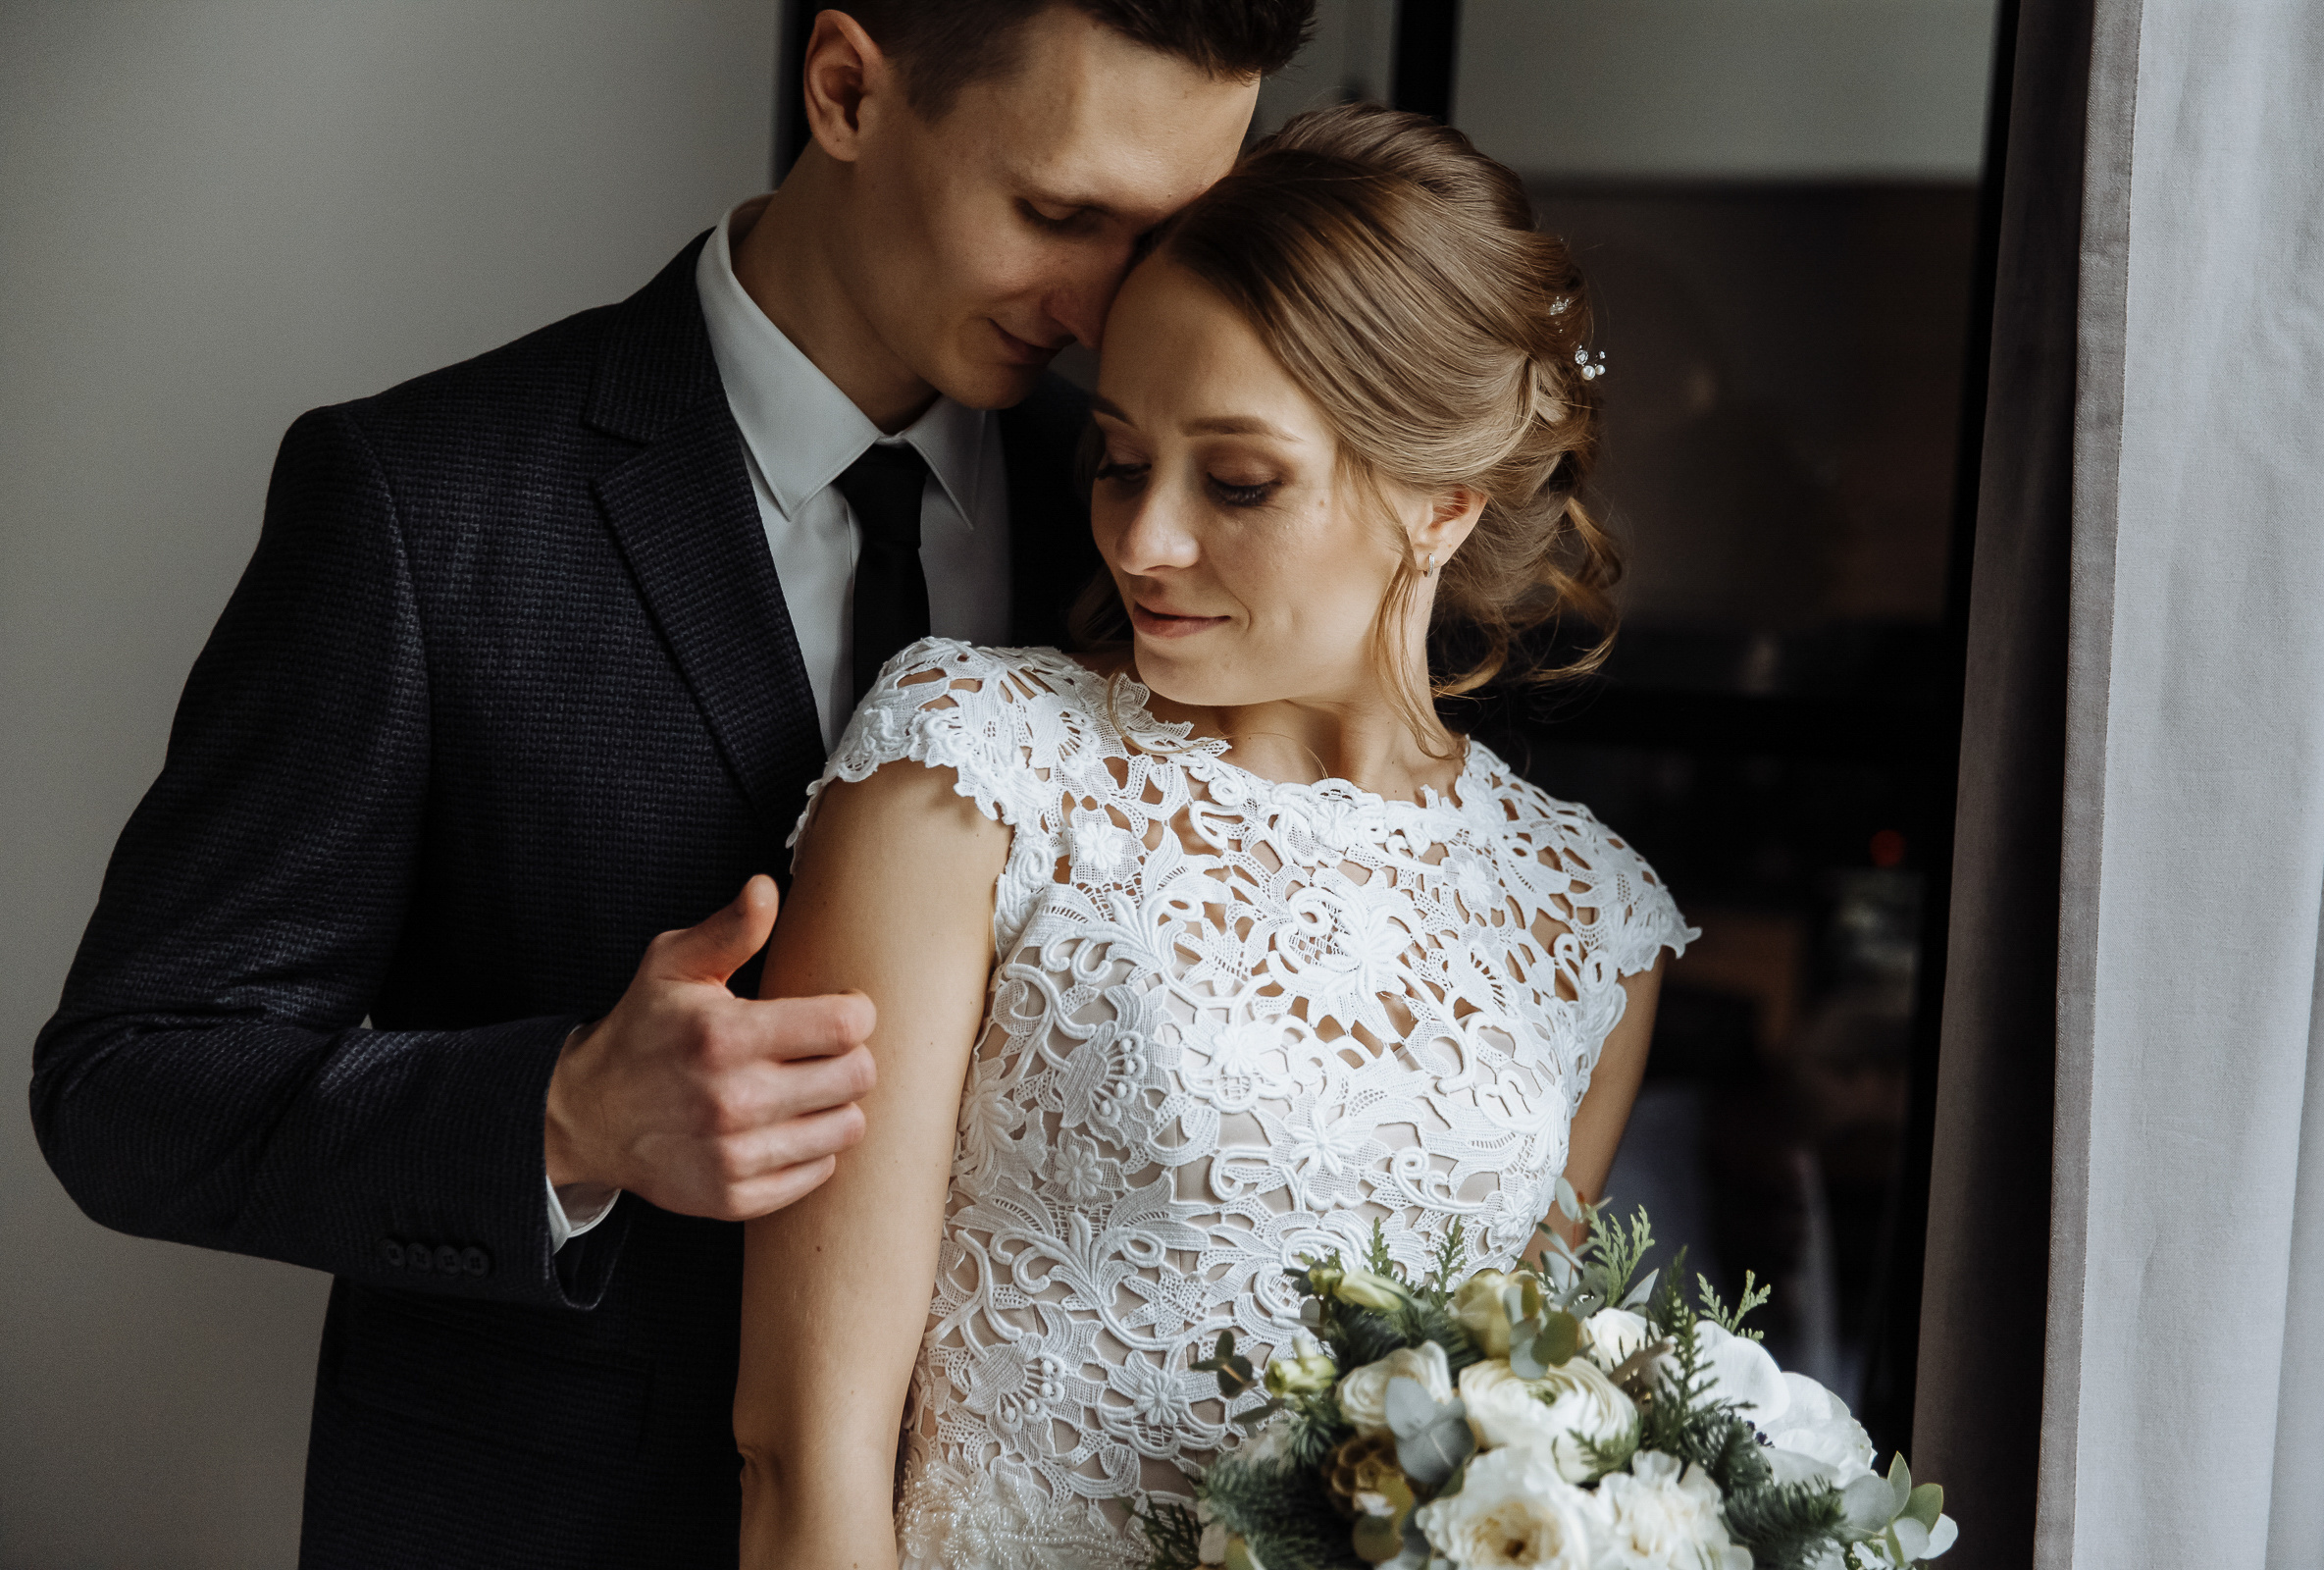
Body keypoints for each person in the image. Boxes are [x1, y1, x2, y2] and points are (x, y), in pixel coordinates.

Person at [28, 5, 1311, 1566]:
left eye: (1168, 232)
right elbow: (127, 1087)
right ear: (846, 91)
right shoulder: (421, 503)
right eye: (1059, 214)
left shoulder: (1174, 534)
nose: (1119, 306)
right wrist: (563, 1114)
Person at [733, 103, 1700, 1570]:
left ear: (1444, 501)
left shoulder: (1594, 927)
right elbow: (807, 1452)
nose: (1144, 541)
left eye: (1236, 481)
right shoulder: (972, 769)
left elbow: (1490, 1455)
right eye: (1121, 460)